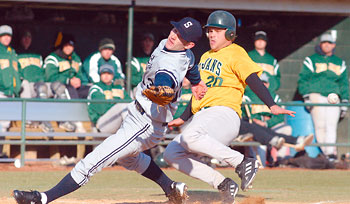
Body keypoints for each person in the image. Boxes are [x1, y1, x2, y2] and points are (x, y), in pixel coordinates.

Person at [13, 16, 207, 204]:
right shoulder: (173, 45)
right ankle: (171, 188)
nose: (174, 35)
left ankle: (43, 198)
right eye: (175, 29)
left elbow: (166, 77)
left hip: (146, 124)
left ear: (189, 44)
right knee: (129, 160)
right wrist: (197, 83)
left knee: (94, 160)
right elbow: (191, 63)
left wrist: (166, 87)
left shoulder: (170, 65)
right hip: (138, 113)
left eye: (181, 36)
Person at [163, 10, 295, 204]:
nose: (211, 34)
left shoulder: (236, 52)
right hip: (204, 116)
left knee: (191, 136)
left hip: (225, 114)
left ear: (230, 34)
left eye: (217, 30)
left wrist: (272, 105)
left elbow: (252, 79)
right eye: (210, 30)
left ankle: (243, 162)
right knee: (171, 153)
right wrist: (183, 117)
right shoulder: (205, 57)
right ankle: (224, 184)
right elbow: (199, 93)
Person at [298, 33, 349, 160]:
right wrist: (306, 96)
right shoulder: (311, 60)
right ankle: (325, 154)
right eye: (324, 42)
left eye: (330, 43)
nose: (327, 45)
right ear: (320, 44)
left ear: (334, 45)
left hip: (334, 97)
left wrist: (345, 101)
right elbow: (303, 79)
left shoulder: (339, 62)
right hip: (316, 95)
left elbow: (344, 83)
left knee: (331, 125)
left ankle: (331, 154)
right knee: (320, 126)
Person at [17, 30, 68, 133]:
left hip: (41, 83)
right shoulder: (16, 54)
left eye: (29, 37)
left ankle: (64, 120)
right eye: (24, 37)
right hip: (29, 86)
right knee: (41, 88)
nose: (27, 39)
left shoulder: (38, 55)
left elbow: (46, 74)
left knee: (58, 87)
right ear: (20, 39)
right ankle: (44, 121)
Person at [44, 33, 89, 132]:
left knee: (91, 90)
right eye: (66, 45)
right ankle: (76, 121)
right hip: (58, 88)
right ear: (62, 46)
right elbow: (50, 77)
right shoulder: (53, 57)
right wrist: (68, 80)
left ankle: (94, 121)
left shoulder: (76, 58)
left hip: (75, 86)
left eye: (71, 46)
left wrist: (78, 80)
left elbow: (80, 74)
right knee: (69, 90)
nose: (69, 48)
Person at [87, 63, 131, 133]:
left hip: (116, 122)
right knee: (122, 106)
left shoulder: (119, 88)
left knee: (127, 106)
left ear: (112, 75)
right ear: (100, 75)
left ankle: (131, 132)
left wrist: (113, 101)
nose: (106, 76)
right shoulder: (95, 88)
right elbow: (102, 109)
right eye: (104, 73)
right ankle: (131, 132)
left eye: (109, 73)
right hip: (101, 125)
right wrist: (118, 101)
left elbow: (130, 103)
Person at [0, 25, 21, 133]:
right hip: (1, 92)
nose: (7, 38)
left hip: (11, 92)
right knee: (2, 124)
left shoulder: (12, 52)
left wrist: (18, 85)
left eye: (9, 36)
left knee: (5, 124)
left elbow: (17, 70)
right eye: (3, 36)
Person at [246, 31, 280, 95]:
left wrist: (270, 87)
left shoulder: (272, 60)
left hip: (268, 93)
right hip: (251, 94)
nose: (260, 42)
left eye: (262, 40)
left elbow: (277, 79)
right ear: (254, 41)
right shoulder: (248, 56)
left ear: (266, 42)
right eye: (258, 39)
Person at [130, 33, 156, 98]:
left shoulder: (157, 58)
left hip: (154, 87)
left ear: (153, 43)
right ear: (142, 43)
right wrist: (145, 80)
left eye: (150, 41)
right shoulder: (135, 59)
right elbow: (131, 79)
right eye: (146, 41)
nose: (148, 43)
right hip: (140, 87)